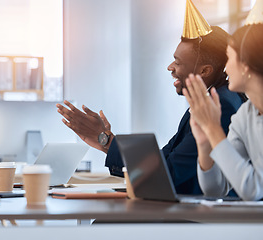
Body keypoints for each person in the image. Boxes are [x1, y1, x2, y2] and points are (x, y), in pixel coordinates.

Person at [56, 0, 245, 195]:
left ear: (205, 70)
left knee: (103, 222)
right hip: (181, 209)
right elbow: (163, 158)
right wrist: (106, 141)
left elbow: (167, 173)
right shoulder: (207, 102)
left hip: (198, 218)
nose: (170, 67)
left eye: (178, 62)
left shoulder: (220, 106)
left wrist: (105, 141)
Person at [183, 20, 263, 201]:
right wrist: (204, 144)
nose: (226, 68)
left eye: (230, 57)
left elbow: (254, 190)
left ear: (245, 65)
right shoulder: (246, 114)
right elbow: (215, 188)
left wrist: (213, 129)